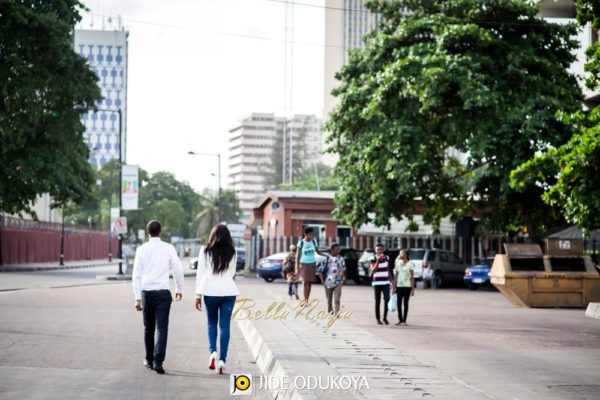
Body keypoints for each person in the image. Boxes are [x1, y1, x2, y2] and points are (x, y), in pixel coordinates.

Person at [132, 220, 184, 374]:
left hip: (147, 293)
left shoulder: (141, 250)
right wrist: (179, 288)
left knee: (149, 328)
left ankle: (148, 359)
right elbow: (177, 269)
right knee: (162, 328)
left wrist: (137, 297)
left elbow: (137, 275)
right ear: (160, 232)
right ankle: (158, 361)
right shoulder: (169, 248)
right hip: (163, 293)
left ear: (148, 232)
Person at [195, 224, 239, 375]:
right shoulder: (233, 251)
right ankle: (222, 361)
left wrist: (197, 295)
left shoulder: (205, 250)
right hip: (229, 290)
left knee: (211, 323)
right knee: (225, 326)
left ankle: (213, 352)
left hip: (210, 291)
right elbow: (232, 271)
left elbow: (200, 273)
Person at [295, 227, 327, 302]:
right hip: (304, 264)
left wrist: (327, 256)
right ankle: (305, 300)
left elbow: (318, 252)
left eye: (312, 234)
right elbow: (297, 255)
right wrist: (297, 267)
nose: (311, 236)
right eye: (310, 234)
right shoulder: (301, 243)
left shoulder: (314, 242)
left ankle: (307, 299)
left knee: (309, 282)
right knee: (305, 282)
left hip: (312, 264)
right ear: (305, 234)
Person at [317, 243, 346, 314]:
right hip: (327, 282)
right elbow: (319, 271)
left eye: (339, 249)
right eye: (337, 249)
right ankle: (330, 312)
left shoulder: (341, 259)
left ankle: (337, 313)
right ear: (332, 250)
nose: (338, 251)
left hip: (338, 282)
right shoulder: (326, 259)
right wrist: (323, 282)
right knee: (329, 300)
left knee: (337, 299)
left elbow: (343, 270)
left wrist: (342, 279)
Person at [369, 243, 391, 325]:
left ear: (383, 250)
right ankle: (378, 319)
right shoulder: (372, 258)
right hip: (377, 283)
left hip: (386, 282)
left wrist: (391, 280)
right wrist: (377, 260)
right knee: (377, 301)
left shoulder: (387, 258)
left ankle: (385, 317)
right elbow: (373, 270)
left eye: (380, 249)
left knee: (387, 299)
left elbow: (388, 269)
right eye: (377, 249)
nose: (379, 251)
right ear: (375, 250)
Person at [392, 249, 415, 326]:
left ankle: (404, 320)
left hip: (407, 286)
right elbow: (396, 276)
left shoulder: (411, 264)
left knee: (405, 303)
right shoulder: (398, 263)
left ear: (406, 255)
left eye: (401, 254)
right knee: (399, 304)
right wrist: (394, 286)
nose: (399, 255)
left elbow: (412, 277)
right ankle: (400, 320)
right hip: (399, 286)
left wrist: (412, 289)